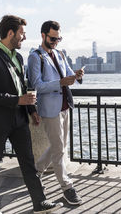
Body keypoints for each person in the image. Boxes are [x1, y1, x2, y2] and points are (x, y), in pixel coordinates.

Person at [0, 15, 63, 214]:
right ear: (10, 33)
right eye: (22, 33)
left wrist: (31, 110)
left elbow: (22, 87)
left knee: (28, 162)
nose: (24, 38)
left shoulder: (19, 57)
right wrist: (17, 100)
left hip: (19, 119)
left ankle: (39, 202)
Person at [27, 20, 84, 205]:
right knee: (59, 149)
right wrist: (60, 82)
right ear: (43, 35)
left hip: (65, 105)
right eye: (53, 38)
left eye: (58, 38)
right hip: (50, 109)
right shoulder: (36, 57)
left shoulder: (59, 54)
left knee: (59, 146)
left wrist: (76, 75)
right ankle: (67, 188)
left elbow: (68, 75)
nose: (56, 42)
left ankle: (36, 172)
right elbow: (37, 85)